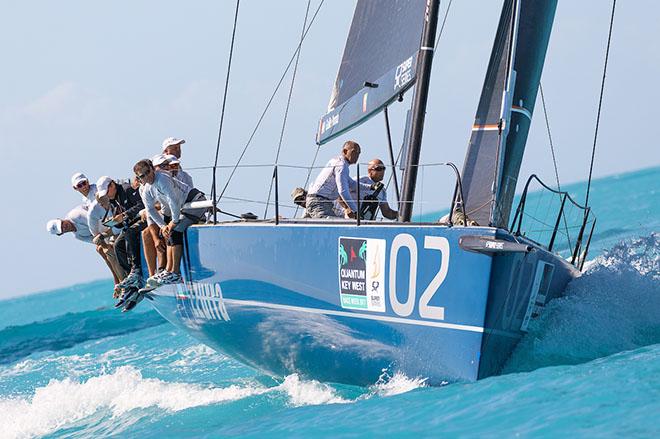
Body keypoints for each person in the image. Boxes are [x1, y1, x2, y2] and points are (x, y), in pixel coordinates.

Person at [134, 159, 206, 285]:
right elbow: (150, 209)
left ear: (152, 169)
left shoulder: (162, 179)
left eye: (147, 172)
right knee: (167, 234)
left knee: (175, 232)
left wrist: (174, 221)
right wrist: (162, 226)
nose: (146, 177)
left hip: (195, 202)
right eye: (142, 176)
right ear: (139, 178)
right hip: (182, 208)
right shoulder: (147, 189)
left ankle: (175, 273)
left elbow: (173, 201)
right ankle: (168, 271)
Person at [47, 205, 123, 291]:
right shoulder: (78, 236)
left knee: (105, 248)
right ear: (61, 233)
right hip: (106, 233)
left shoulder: (75, 215)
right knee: (100, 250)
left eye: (62, 224)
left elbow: (94, 221)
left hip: (111, 221)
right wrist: (106, 243)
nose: (64, 227)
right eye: (62, 229)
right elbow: (98, 241)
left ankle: (119, 280)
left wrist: (107, 237)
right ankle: (119, 280)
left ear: (60, 219)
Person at [96, 176, 146, 291]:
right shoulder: (114, 200)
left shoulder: (127, 189)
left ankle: (136, 269)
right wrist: (113, 222)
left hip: (143, 220)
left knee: (129, 233)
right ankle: (131, 278)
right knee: (118, 244)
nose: (107, 196)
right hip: (130, 225)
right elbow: (119, 223)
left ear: (113, 185)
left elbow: (141, 205)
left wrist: (124, 216)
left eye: (107, 192)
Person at [306, 140, 371, 218]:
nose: (357, 155)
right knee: (330, 228)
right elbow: (343, 191)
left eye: (358, 153)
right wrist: (356, 211)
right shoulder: (342, 165)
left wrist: (371, 187)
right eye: (354, 152)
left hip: (320, 201)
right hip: (319, 201)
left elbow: (352, 184)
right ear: (345, 151)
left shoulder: (338, 162)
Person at [87, 178, 126, 288]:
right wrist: (105, 243)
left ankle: (130, 275)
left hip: (120, 229)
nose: (106, 202)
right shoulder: (93, 212)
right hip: (108, 235)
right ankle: (123, 282)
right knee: (107, 250)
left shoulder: (115, 199)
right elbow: (96, 237)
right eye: (102, 201)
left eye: (106, 198)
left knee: (119, 242)